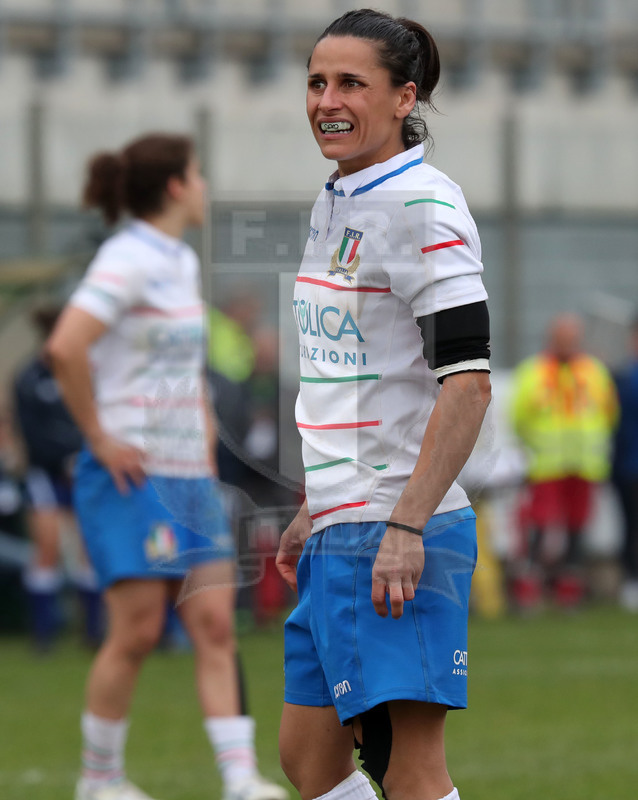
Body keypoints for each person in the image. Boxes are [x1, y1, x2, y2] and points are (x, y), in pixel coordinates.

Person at [276, 11, 492, 800]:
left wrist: (406, 525)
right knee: (308, 761)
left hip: (396, 526)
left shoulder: (421, 207)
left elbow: (467, 383)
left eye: (350, 84)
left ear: (405, 98)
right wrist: (318, 503)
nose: (326, 100)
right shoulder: (338, 200)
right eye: (316, 82)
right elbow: (359, 373)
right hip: (344, 519)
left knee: (408, 767)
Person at [47, 133, 288, 800]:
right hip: (132, 475)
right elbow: (66, 347)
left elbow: (184, 368)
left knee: (215, 623)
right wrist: (100, 436)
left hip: (190, 477)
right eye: (198, 176)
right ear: (177, 187)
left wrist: (204, 439)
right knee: (138, 630)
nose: (206, 188)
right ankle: (99, 780)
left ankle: (240, 778)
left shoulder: (179, 261)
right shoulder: (126, 258)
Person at [509, 313, 618, 608]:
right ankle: (530, 584)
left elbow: (609, 413)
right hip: (546, 465)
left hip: (584, 464)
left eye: (572, 338)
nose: (567, 343)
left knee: (577, 526)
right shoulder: (532, 371)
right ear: (551, 338)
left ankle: (569, 587)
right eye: (562, 337)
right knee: (539, 523)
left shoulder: (594, 371)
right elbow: (518, 417)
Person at [13, 304, 102, 651]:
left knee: (88, 549)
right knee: (47, 547)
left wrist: (83, 456)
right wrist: (60, 460)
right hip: (46, 474)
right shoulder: (29, 378)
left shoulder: (84, 372)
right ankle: (44, 633)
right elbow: (31, 433)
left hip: (83, 469)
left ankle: (92, 630)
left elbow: (93, 419)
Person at [612, 315, 638, 611]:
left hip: (628, 463)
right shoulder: (624, 376)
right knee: (631, 526)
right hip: (629, 466)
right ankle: (631, 579)